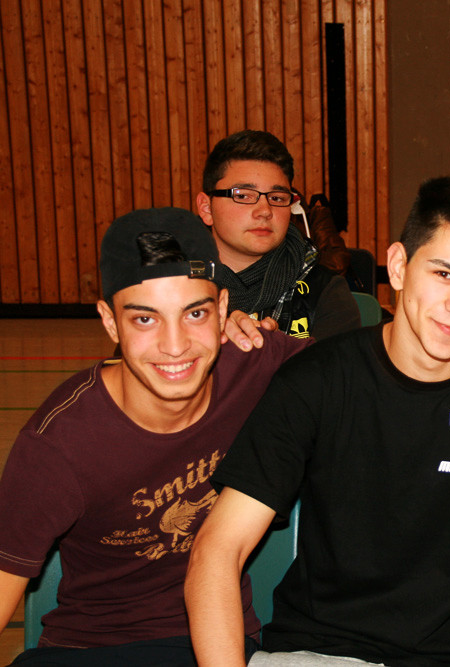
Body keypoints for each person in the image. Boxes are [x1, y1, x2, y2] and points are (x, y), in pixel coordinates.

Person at [185, 177, 450, 666]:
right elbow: (218, 550)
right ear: (400, 266)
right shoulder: (317, 380)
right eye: (444, 274)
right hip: (318, 653)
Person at [0, 208, 308, 665]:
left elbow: (366, 370)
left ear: (224, 309)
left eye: (195, 313)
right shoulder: (59, 445)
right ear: (110, 322)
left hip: (214, 646)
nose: (175, 345)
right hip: (88, 650)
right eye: (145, 320)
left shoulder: (258, 364)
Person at [196, 130, 361, 339]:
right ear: (206, 208)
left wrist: (277, 351)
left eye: (277, 198)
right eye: (244, 196)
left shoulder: (325, 292)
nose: (265, 211)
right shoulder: (171, 284)